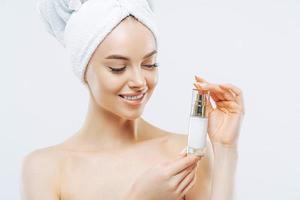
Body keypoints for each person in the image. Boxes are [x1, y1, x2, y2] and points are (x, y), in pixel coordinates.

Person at [21, 0, 245, 199]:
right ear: (83, 69)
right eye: (118, 68)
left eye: (150, 64)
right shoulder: (45, 169)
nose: (139, 81)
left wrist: (226, 149)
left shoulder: (183, 154)